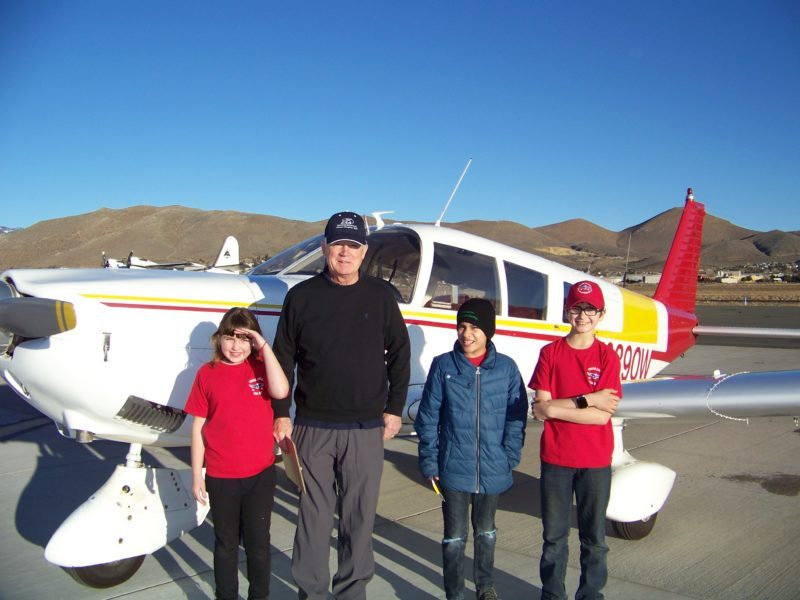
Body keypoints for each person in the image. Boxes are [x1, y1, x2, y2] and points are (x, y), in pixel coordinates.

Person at [271, 211, 411, 600]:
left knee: (359, 518)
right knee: (313, 519)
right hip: (313, 426)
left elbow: (400, 353)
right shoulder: (300, 297)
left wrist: (394, 408)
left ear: (364, 252)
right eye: (338, 245)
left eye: (353, 246)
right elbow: (283, 359)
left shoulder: (381, 297)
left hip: (366, 428)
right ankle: (312, 592)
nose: (345, 253)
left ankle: (351, 592)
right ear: (325, 249)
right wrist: (281, 413)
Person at [415, 298, 528, 600]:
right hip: (453, 467)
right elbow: (428, 417)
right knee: (454, 536)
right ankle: (454, 592)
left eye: (475, 327)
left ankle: (485, 587)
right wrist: (429, 461)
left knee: (486, 531)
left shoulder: (506, 369)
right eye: (462, 326)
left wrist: (510, 456)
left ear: (488, 331)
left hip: (493, 467)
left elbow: (516, 417)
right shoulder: (444, 365)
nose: (467, 334)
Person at [184, 307, 290, 600]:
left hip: (260, 475)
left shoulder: (261, 367)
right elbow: (198, 429)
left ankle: (259, 595)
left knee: (258, 545)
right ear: (219, 339)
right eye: (230, 338)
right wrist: (197, 475)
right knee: (226, 545)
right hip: (221, 477)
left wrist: (262, 345)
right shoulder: (207, 374)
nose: (235, 346)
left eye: (244, 339)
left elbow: (281, 391)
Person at [529, 280, 622, 600]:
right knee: (553, 538)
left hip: (595, 461)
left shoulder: (608, 357)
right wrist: (588, 398)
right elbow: (540, 411)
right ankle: (552, 595)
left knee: (593, 538)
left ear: (601, 314)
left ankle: (590, 594)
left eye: (589, 309)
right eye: (576, 308)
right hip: (556, 459)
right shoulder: (550, 353)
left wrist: (559, 406)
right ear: (567, 310)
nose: (582, 315)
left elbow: (602, 416)